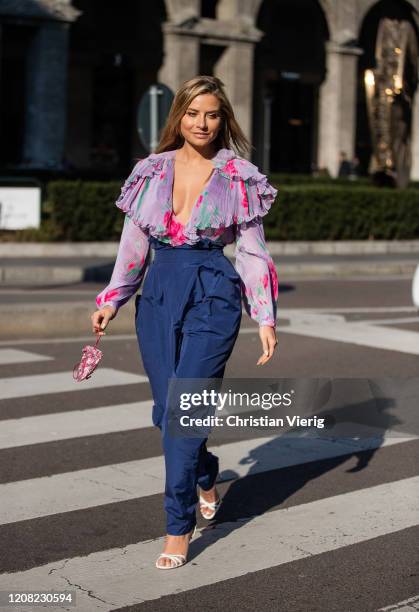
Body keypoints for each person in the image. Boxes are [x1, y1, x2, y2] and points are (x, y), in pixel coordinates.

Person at [91, 75, 279, 570]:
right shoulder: (150, 171)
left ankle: (178, 526)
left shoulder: (240, 175)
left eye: (213, 114)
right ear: (179, 115)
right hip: (157, 292)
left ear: (223, 120)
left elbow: (253, 252)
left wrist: (264, 315)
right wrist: (114, 297)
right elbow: (133, 245)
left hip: (214, 292)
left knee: (185, 412)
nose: (203, 123)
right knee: (165, 411)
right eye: (194, 113)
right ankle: (205, 473)